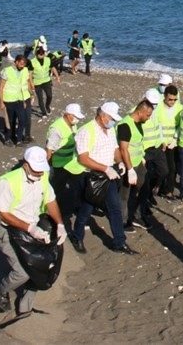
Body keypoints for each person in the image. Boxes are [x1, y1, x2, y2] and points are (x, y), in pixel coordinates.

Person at [0, 146, 66, 316]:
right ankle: (0, 291)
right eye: (36, 170)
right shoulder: (8, 182)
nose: (39, 174)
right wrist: (29, 228)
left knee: (40, 268)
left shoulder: (43, 177)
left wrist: (60, 224)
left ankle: (26, 308)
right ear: (25, 165)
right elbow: (3, 212)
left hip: (34, 229)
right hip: (10, 232)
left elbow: (50, 201)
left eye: (41, 171)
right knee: (22, 273)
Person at [70, 102, 135, 255]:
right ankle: (77, 236)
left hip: (109, 175)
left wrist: (119, 162)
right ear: (102, 116)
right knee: (86, 209)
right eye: (111, 118)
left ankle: (120, 242)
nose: (113, 121)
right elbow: (83, 159)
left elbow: (115, 149)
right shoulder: (86, 131)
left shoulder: (110, 129)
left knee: (115, 208)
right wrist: (105, 168)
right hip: (92, 176)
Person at [118, 89, 161, 231]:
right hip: (128, 165)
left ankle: (136, 215)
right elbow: (124, 149)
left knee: (143, 189)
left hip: (138, 162)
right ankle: (123, 221)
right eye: (148, 115)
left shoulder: (139, 124)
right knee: (124, 194)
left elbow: (138, 143)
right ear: (140, 112)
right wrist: (129, 169)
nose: (148, 118)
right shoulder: (125, 125)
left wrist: (141, 157)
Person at [45, 103, 88, 231]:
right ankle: (55, 215)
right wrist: (47, 167)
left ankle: (70, 209)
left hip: (71, 163)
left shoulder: (73, 125)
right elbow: (49, 149)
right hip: (58, 165)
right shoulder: (57, 129)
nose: (77, 120)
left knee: (77, 187)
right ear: (68, 115)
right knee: (57, 191)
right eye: (75, 117)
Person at [149, 83, 182, 201]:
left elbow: (180, 126)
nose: (172, 102)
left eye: (174, 99)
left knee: (172, 168)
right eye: (170, 99)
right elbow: (157, 125)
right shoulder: (158, 108)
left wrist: (175, 138)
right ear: (164, 97)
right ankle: (156, 186)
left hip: (172, 143)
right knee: (160, 168)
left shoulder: (179, 108)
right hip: (160, 142)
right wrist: (162, 140)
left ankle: (168, 191)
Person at [0, 54, 34, 146]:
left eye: (24, 64)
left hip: (20, 99)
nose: (23, 66)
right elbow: (1, 87)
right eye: (21, 63)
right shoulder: (7, 71)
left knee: (22, 120)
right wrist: (1, 102)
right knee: (10, 121)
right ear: (16, 62)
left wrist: (29, 96)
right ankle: (8, 138)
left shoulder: (25, 70)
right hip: (9, 99)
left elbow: (25, 84)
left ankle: (18, 140)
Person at [29, 46, 60, 116]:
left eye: (42, 53)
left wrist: (57, 77)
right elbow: (30, 74)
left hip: (47, 81)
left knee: (49, 96)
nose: (41, 54)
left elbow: (53, 68)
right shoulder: (32, 62)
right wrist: (31, 83)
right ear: (36, 54)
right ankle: (43, 113)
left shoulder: (48, 59)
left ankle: (47, 106)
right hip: (37, 83)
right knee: (40, 98)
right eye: (39, 53)